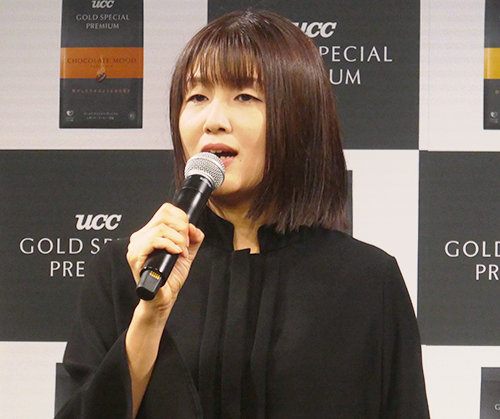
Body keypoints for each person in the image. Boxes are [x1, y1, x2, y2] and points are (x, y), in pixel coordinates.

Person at [55, 10, 430, 419]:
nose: (213, 121)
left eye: (245, 97)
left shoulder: (368, 281)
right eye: (197, 97)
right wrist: (149, 317)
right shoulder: (127, 269)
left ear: (299, 118)